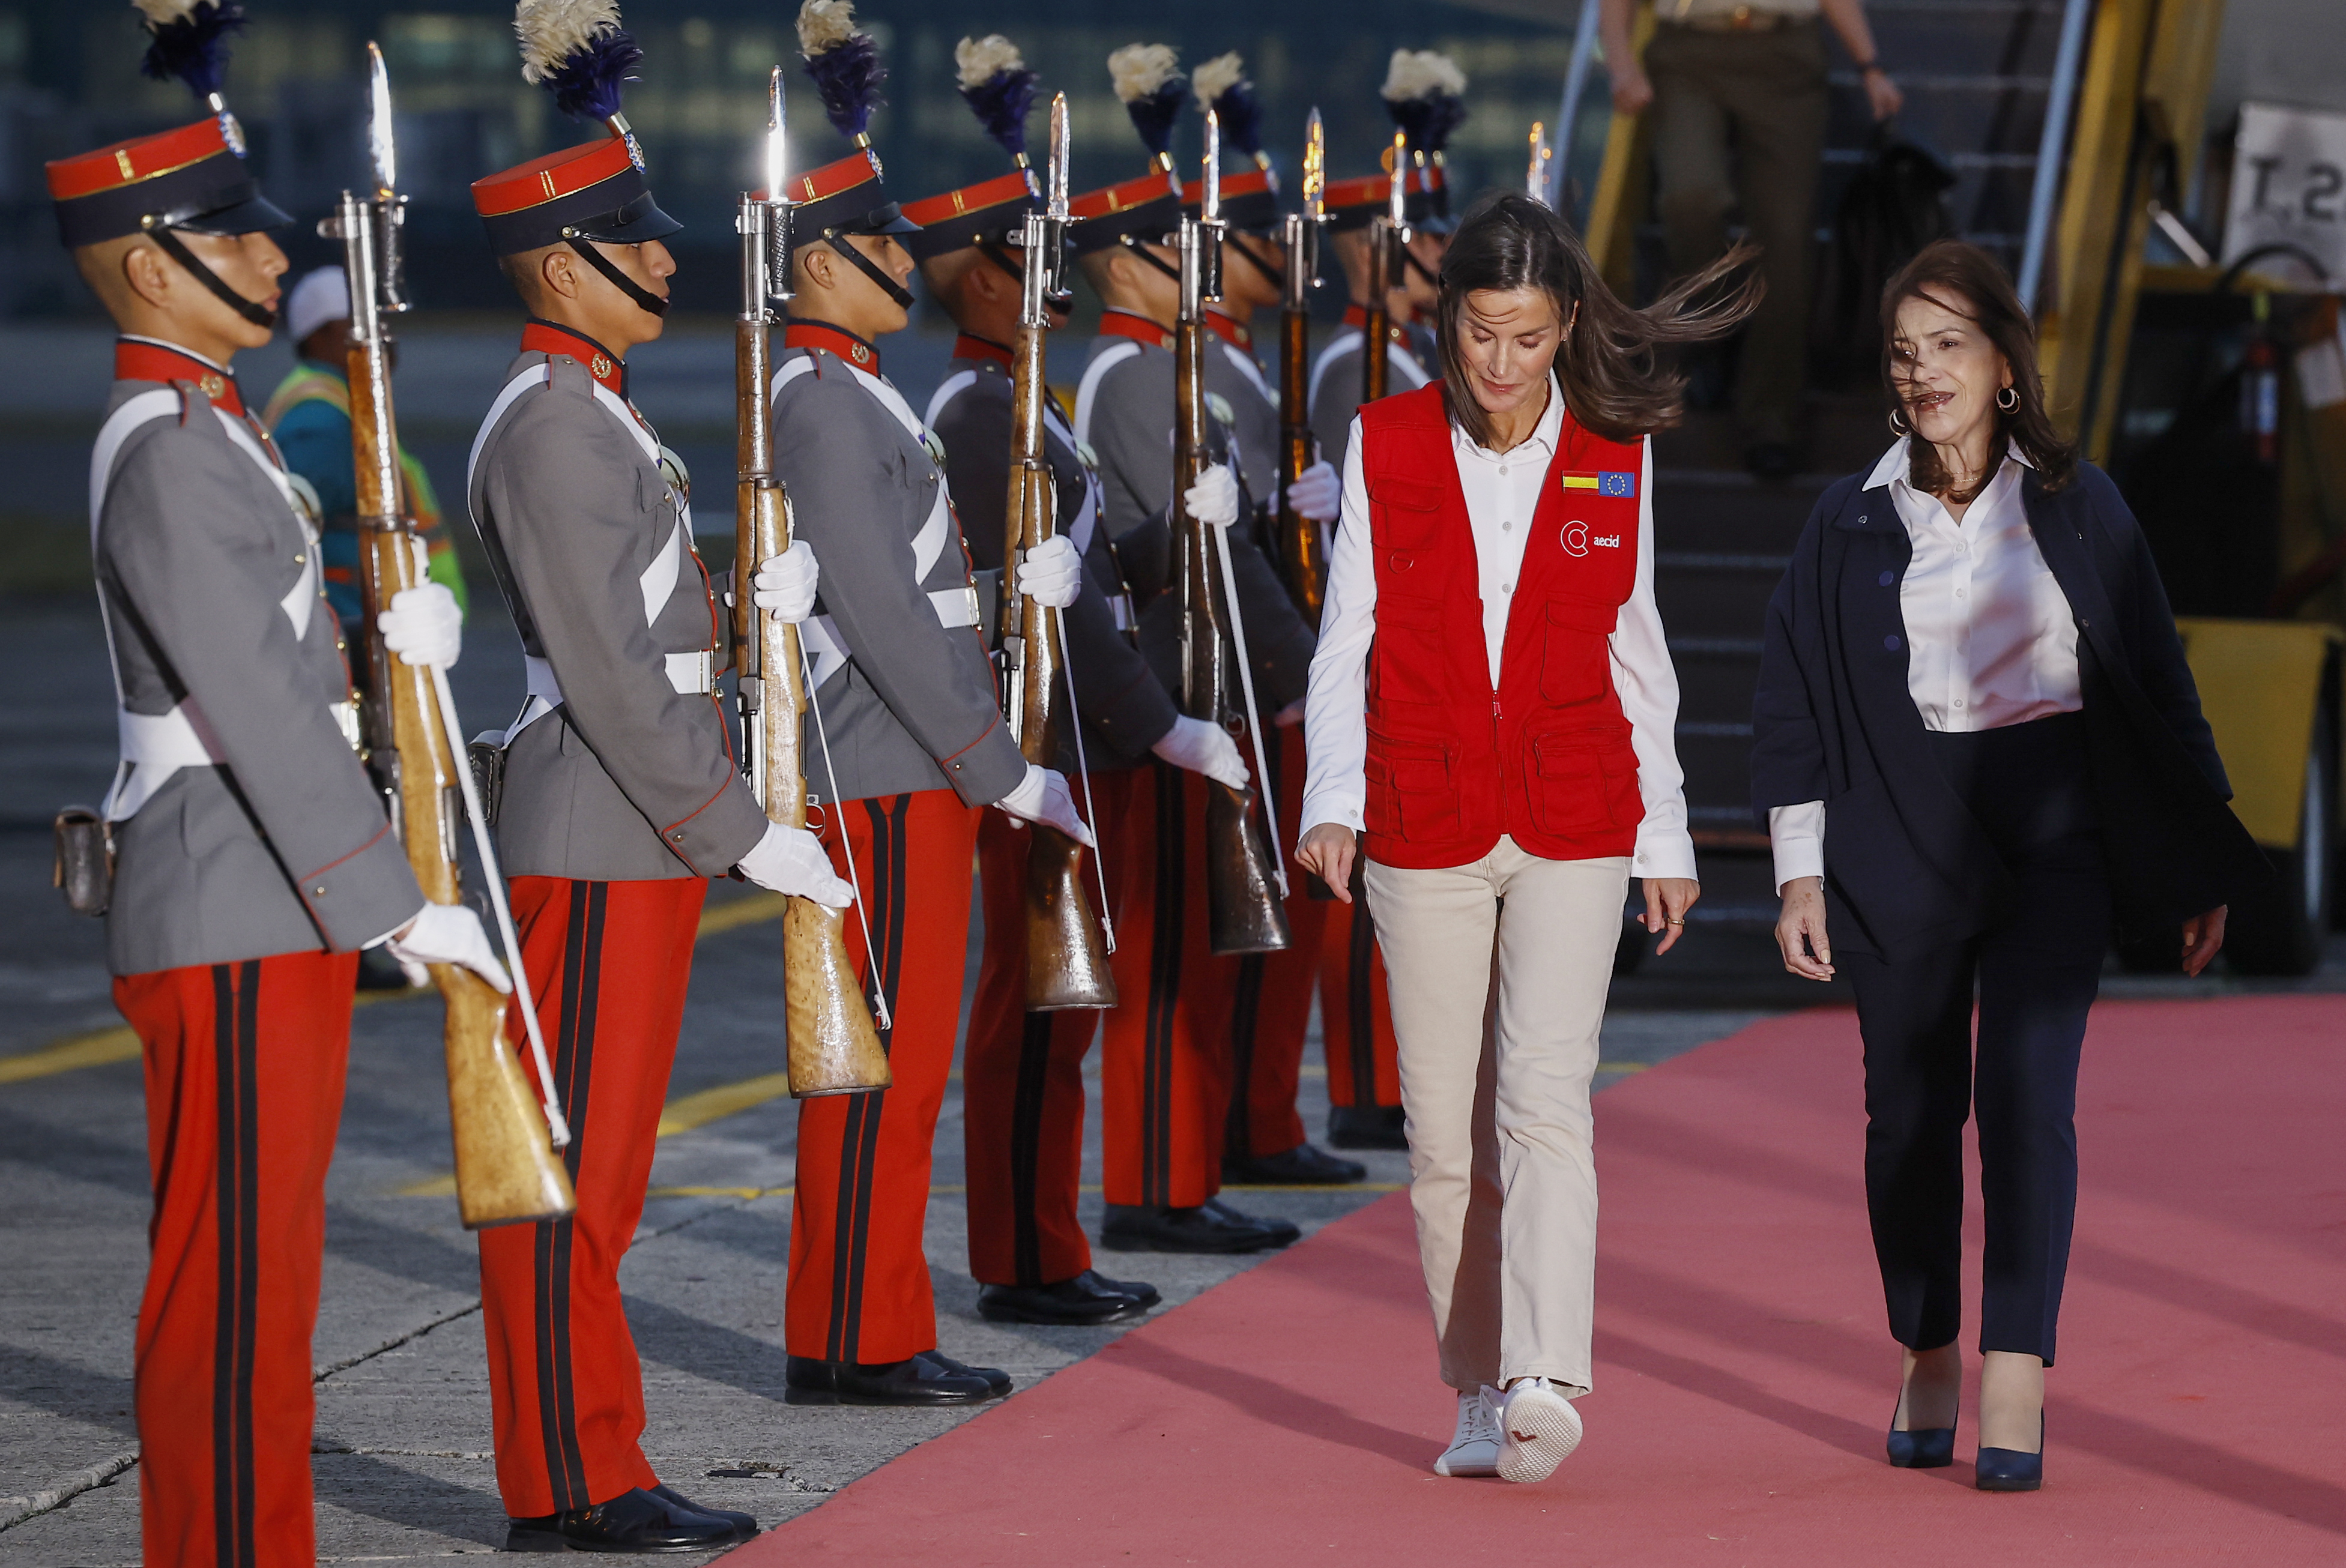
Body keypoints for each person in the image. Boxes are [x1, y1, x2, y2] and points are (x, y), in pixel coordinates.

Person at [49, 10, 502, 1561]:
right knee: (230, 1288)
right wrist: (397, 898)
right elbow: (252, 701)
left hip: (267, 900)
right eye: (230, 231)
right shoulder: (169, 442)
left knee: (270, 1280)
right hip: (234, 896)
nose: (268, 252)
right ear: (148, 263)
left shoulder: (221, 425)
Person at [1751, 239, 2267, 1491]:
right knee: (1909, 1120)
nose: (1923, 374)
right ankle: (1928, 1340)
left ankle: (2016, 1366)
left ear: (2003, 363)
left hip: (2051, 824)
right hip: (1894, 818)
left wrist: (2202, 858)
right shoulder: (1848, 516)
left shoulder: (2082, 500)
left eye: (1949, 347)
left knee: (2029, 1097)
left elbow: (2156, 680)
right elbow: (1794, 696)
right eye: (1904, 351)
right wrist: (1799, 868)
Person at [1297, 191, 1751, 1485]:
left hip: (1573, 812)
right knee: (1446, 1138)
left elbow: (1639, 652)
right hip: (1422, 817)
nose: (1501, 365)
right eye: (1481, 335)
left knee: (1545, 1103)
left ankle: (1551, 1369)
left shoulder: (1615, 448)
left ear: (1566, 333)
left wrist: (1664, 836)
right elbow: (1349, 643)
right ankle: (1480, 1389)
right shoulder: (1381, 440)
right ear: (1447, 322)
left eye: (1530, 339)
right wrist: (1333, 800)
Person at [463, 12, 844, 1550]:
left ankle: (595, 1452)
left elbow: (652, 636)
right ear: (566, 265)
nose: (671, 269)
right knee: (573, 1176)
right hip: (603, 826)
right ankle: (568, 1475)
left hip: (635, 829)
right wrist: (743, 830)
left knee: (603, 1170)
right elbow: (616, 683)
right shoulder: (554, 431)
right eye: (639, 248)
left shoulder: (594, 411)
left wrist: (766, 626)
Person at [770, 1, 1093, 1405]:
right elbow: (890, 617)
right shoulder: (826, 403)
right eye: (886, 247)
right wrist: (991, 761)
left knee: (900, 1074)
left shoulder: (859, 393)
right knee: (879, 1070)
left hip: (919, 768)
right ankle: (854, 1330)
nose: (913, 265)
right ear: (817, 263)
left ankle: (877, 1316)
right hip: (891, 771)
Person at [905, 34, 1220, 1327]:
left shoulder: (1029, 408)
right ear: (982, 279)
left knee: (1065, 1005)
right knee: (1034, 1002)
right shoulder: (981, 415)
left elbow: (1088, 573)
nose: (1058, 289)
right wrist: (1163, 726)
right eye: (1030, 266)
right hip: (1052, 739)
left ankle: (1046, 1244)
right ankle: (1022, 1255)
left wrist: (1184, 530)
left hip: (1087, 733)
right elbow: (1056, 614)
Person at [1071, 42, 1319, 1255]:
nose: (1199, 266)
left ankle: (1184, 1171)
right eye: (1179, 248)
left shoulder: (1179, 369)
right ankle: (1152, 1181)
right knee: (1165, 958)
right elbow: (1149, 548)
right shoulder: (1129, 377)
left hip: (1219, 683)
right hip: (1172, 688)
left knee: (1201, 954)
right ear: (1127, 259)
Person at [1182, 50, 1362, 1189]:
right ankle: (1218, 1137)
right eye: (1265, 245)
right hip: (1226, 676)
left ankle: (1257, 1120)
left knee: (1280, 928)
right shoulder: (1177, 369)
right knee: (1225, 945)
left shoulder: (1243, 364)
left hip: (1273, 658)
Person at [1601, 0, 1903, 479]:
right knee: (1690, 198)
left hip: (1785, 54)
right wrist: (1620, 65)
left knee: (1785, 242)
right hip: (1688, 51)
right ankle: (1710, 329)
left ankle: (1772, 421)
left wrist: (1870, 66)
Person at [263, 265, 467, 636]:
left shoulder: (344, 406)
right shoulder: (319, 423)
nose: (384, 334)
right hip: (356, 631)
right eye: (365, 322)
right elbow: (287, 541)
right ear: (321, 334)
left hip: (389, 626)